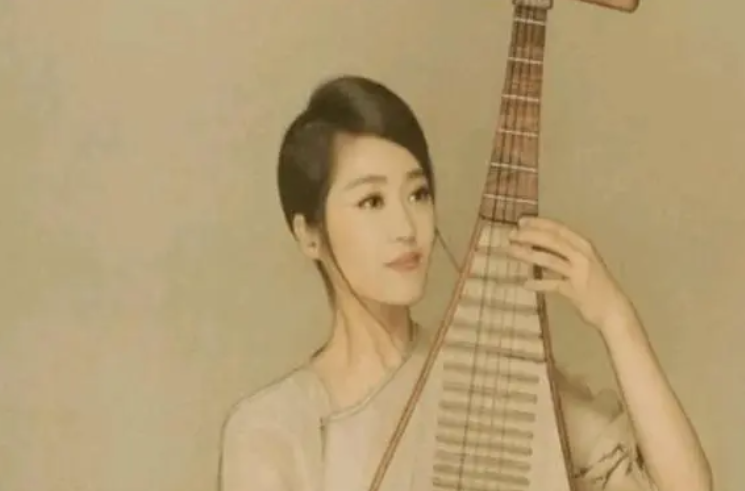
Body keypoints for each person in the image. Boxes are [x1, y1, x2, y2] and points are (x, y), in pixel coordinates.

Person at [217, 75, 712, 491]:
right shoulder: (273, 429)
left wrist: (616, 318)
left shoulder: (496, 380)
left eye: (418, 193)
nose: (406, 227)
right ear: (309, 234)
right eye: (372, 201)